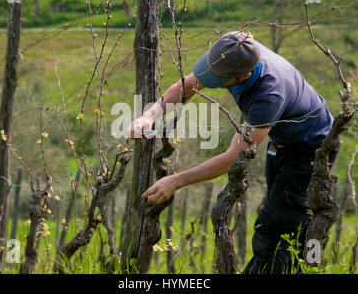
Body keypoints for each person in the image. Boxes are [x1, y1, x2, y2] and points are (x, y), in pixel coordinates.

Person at [125, 31, 338, 273]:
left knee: (274, 229)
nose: (209, 80)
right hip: (282, 143)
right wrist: (148, 116)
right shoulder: (235, 50)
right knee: (283, 218)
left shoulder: (269, 93)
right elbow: (189, 85)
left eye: (219, 80)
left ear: (244, 76)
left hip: (309, 148)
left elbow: (233, 157)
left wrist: (175, 181)